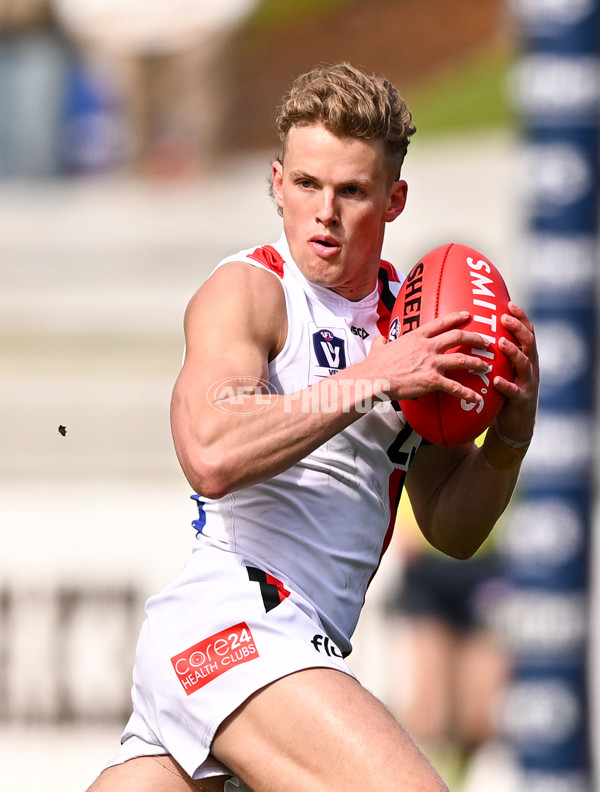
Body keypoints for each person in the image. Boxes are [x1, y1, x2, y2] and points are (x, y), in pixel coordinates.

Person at [86, 62, 539, 792]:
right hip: (233, 624)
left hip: (285, 646)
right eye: (305, 184)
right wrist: (371, 379)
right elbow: (210, 453)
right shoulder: (251, 291)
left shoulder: (413, 326)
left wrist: (508, 441)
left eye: (351, 191)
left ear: (393, 201)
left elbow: (451, 530)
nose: (324, 212)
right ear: (276, 183)